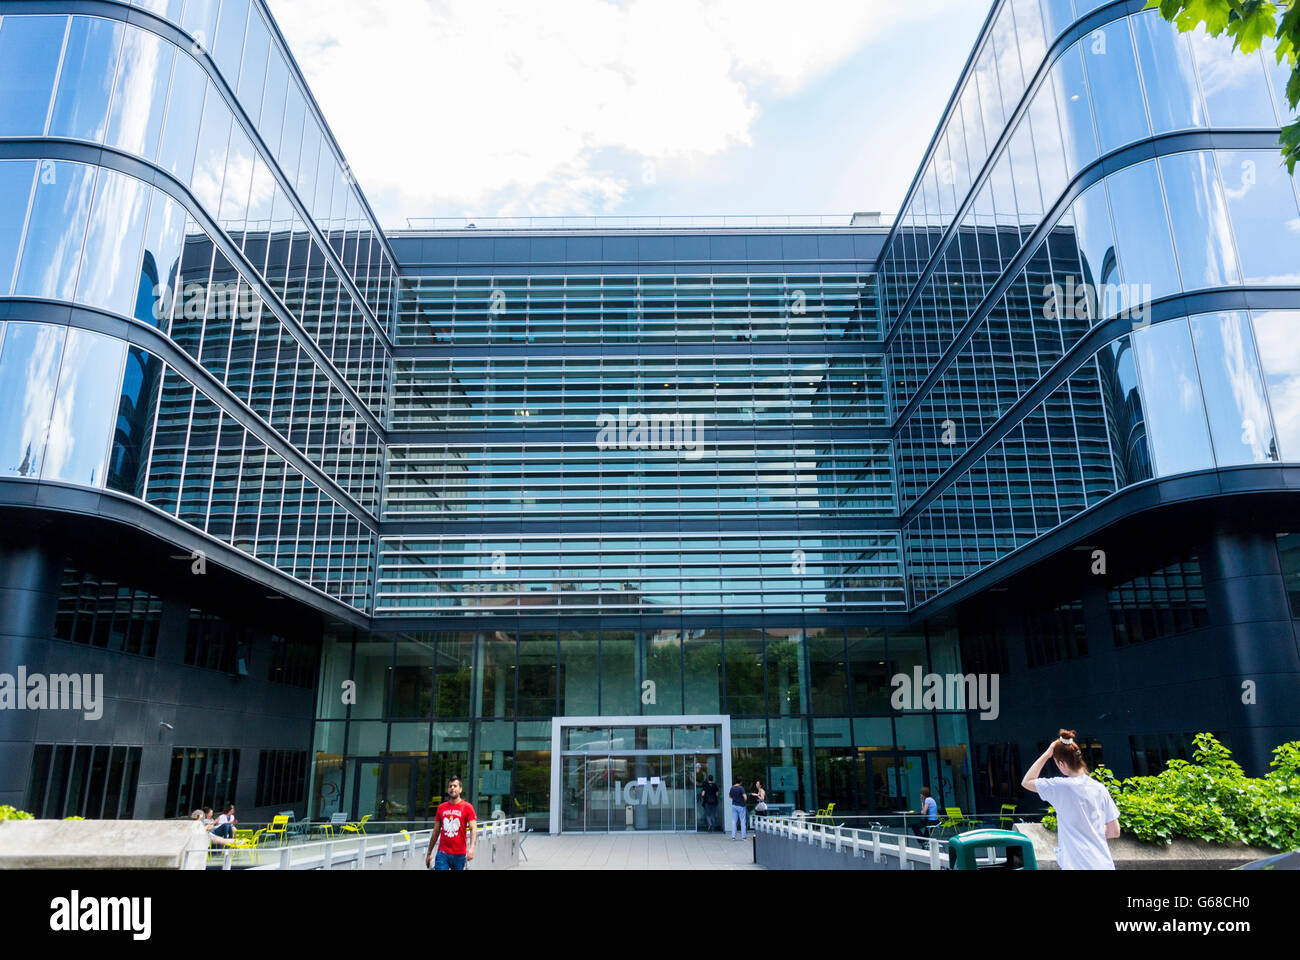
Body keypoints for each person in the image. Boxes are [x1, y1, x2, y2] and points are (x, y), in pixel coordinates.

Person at [1021, 729, 1120, 870]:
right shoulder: (1099, 789)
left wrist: (1048, 754)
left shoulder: (1060, 787)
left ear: (1062, 764)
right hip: (1104, 864)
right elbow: (1114, 832)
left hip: (1076, 865)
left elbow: (1027, 781)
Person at [425, 775, 477, 871]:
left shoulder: (467, 807)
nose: (452, 788)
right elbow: (436, 831)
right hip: (442, 853)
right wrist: (429, 853)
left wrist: (472, 849)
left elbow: (473, 828)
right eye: (450, 786)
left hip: (460, 854)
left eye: (455, 786)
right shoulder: (441, 807)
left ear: (460, 789)